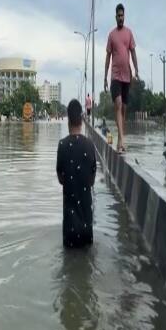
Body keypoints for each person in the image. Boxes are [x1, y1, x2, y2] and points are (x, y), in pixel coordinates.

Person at [56, 99, 97, 248]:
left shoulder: (62, 145)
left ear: (68, 120)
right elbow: (92, 180)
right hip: (87, 224)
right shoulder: (90, 145)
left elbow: (61, 179)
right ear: (81, 119)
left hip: (69, 227)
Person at [104, 3, 139, 154]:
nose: (120, 18)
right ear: (115, 17)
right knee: (118, 104)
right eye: (118, 15)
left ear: (124, 16)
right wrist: (105, 77)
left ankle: (120, 139)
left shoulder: (129, 33)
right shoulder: (111, 35)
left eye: (122, 15)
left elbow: (133, 52)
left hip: (127, 76)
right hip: (115, 76)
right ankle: (123, 139)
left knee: (123, 109)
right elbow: (108, 57)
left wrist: (137, 70)